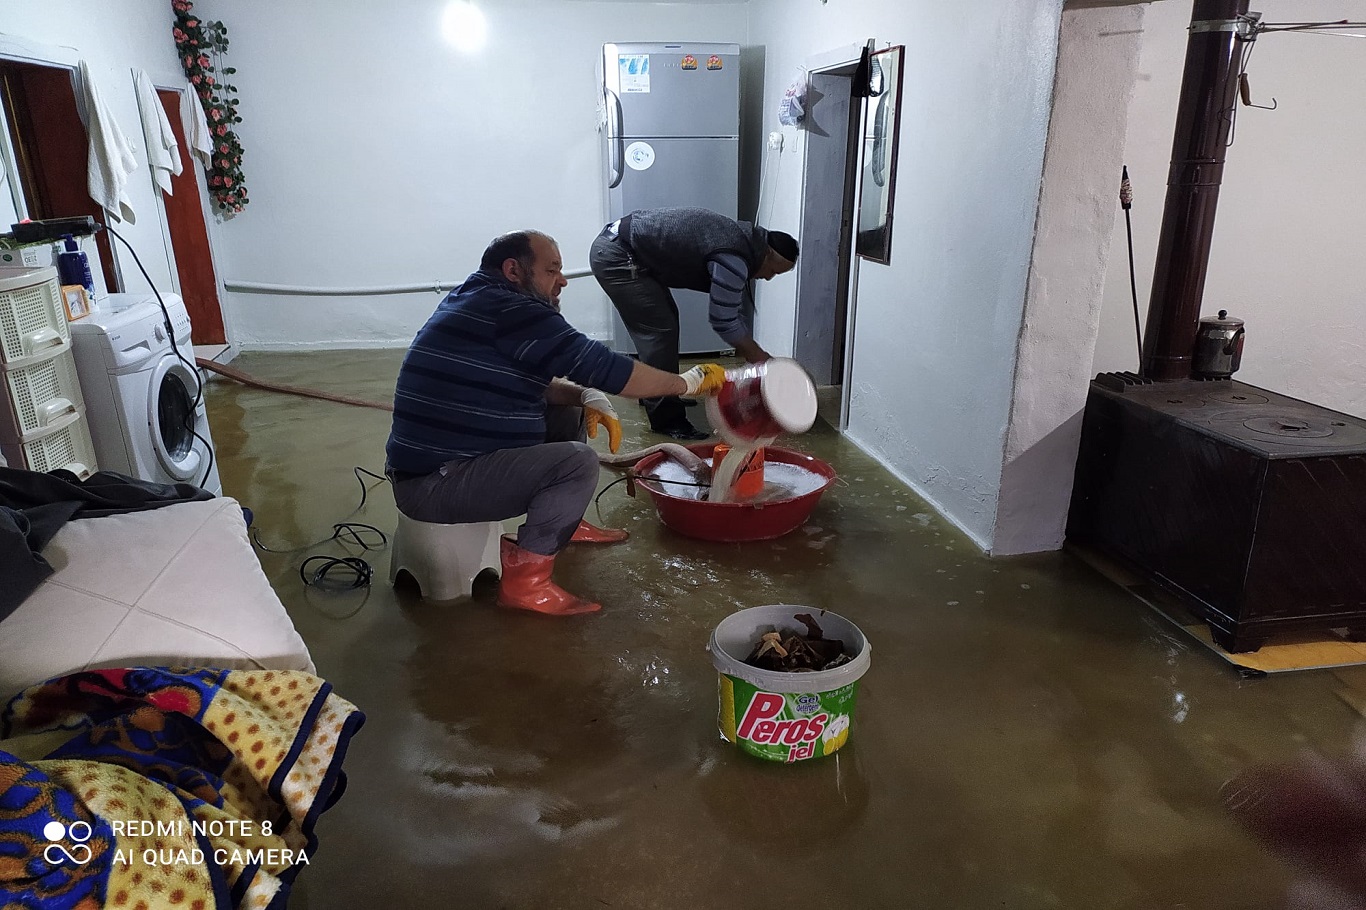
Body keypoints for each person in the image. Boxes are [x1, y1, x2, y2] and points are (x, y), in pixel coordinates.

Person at [386, 230, 726, 616]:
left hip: (441, 465)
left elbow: (532, 381)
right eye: (552, 270)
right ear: (513, 270)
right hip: (433, 483)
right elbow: (606, 368)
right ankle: (525, 586)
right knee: (575, 461)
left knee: (567, 408)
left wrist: (583, 395)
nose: (562, 280)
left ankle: (567, 522)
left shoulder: (478, 299)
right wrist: (686, 383)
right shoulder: (511, 309)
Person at [589, 206, 799, 440]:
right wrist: (761, 358)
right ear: (767, 253)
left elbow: (729, 309)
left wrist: (752, 350)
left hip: (624, 245)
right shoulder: (734, 257)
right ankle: (667, 419)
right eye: (772, 271)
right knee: (660, 331)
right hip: (618, 255)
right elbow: (724, 319)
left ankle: (655, 392)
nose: (768, 277)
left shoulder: (746, 241)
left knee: (664, 322)